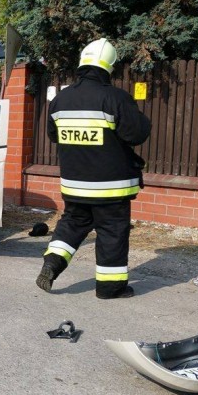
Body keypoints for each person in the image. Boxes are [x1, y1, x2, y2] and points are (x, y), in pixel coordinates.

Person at [35, 38, 151, 300]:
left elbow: (54, 135)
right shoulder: (115, 98)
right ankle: (110, 288)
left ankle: (52, 262)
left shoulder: (61, 100)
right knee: (112, 233)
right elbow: (136, 133)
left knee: (72, 224)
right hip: (111, 188)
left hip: (75, 185)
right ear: (109, 66)